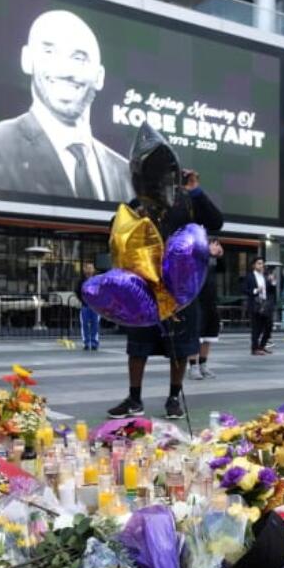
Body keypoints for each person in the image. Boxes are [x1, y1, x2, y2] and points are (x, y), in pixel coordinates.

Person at [106, 125, 222, 419]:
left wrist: (195, 190)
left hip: (180, 290)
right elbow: (118, 235)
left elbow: (216, 221)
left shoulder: (187, 201)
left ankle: (173, 397)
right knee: (138, 346)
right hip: (144, 288)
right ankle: (134, 398)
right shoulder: (135, 207)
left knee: (181, 348)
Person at [0, 10, 132, 200]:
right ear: (27, 60)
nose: (65, 70)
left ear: (99, 76)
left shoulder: (126, 174)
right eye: (49, 52)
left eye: (79, 58)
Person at [188, 239, 225, 379]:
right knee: (196, 336)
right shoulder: (196, 257)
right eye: (213, 244)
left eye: (217, 244)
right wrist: (208, 254)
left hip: (211, 301)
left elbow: (222, 270)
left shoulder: (212, 259)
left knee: (209, 336)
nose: (216, 246)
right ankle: (193, 366)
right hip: (197, 301)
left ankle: (203, 365)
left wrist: (219, 256)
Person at [245, 256, 273, 355]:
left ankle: (262, 346)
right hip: (255, 304)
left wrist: (273, 282)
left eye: (262, 263)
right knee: (256, 328)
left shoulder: (265, 276)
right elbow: (245, 290)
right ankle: (255, 349)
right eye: (259, 263)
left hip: (265, 304)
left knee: (269, 326)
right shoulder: (250, 276)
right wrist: (256, 290)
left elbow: (271, 290)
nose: (261, 265)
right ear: (254, 265)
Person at [77, 262, 100, 350]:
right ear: (84, 270)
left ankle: (94, 343)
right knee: (85, 324)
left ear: (93, 270)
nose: (89, 270)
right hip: (85, 306)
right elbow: (78, 291)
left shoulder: (97, 280)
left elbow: (101, 292)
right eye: (88, 268)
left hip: (95, 307)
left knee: (95, 324)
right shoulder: (81, 281)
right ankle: (86, 343)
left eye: (91, 268)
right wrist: (82, 301)